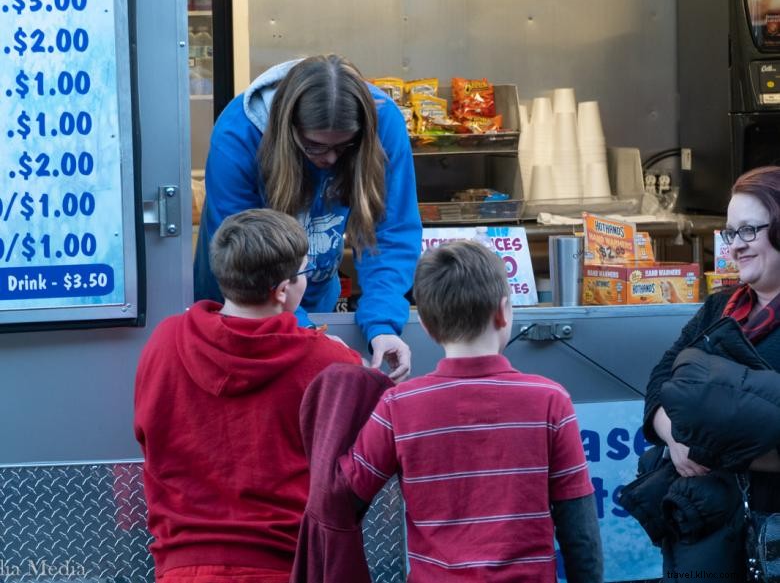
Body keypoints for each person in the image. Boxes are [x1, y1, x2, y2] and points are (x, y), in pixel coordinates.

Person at [338, 240, 603, 582]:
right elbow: (578, 527)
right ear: (503, 311)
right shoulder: (551, 400)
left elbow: (345, 497)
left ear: (429, 328)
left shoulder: (397, 405)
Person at [135, 208, 363, 583]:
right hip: (286, 565)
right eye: (303, 274)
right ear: (283, 289)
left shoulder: (165, 341)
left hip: (182, 565)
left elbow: (147, 435)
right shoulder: (329, 361)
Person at [194, 53, 422, 381]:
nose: (329, 158)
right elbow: (243, 258)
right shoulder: (239, 133)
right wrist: (303, 332)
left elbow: (389, 233)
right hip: (241, 309)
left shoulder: (382, 122)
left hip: (312, 295)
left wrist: (382, 324)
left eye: (343, 147)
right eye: (315, 146)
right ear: (289, 128)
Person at [639, 166, 780, 581]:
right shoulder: (720, 308)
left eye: (748, 231)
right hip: (709, 526)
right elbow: (658, 382)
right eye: (730, 233)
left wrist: (714, 450)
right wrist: (674, 435)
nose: (735, 247)